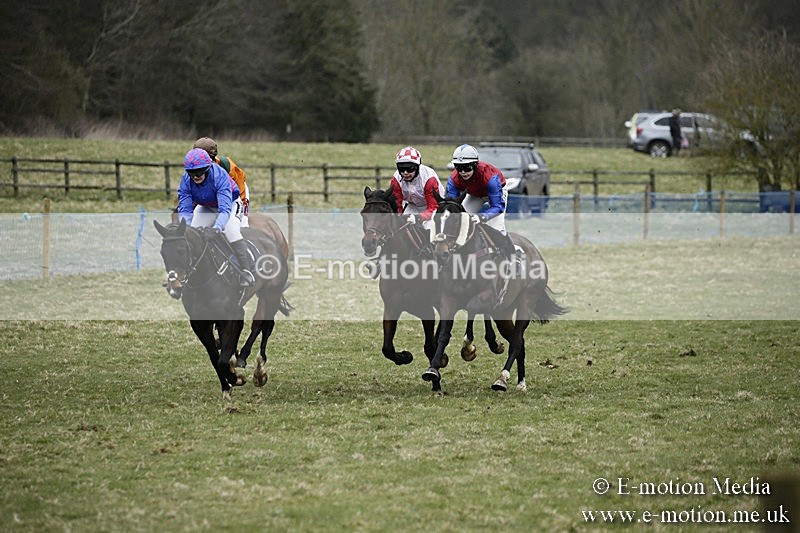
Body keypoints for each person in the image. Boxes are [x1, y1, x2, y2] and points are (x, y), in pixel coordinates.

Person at [177, 148, 255, 286]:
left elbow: (224, 210)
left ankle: (246, 269)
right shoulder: (186, 181)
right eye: (192, 172)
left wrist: (216, 228)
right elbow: (185, 209)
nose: (196, 176)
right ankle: (193, 271)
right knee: (192, 233)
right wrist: (186, 228)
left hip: (229, 204)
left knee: (231, 231)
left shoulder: (219, 175)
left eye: (200, 171)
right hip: (207, 206)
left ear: (208, 168)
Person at [445, 143, 520, 274]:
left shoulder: (490, 177)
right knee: (460, 221)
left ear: (475, 165)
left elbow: (497, 207)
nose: (463, 172)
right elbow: (452, 206)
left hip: (496, 193)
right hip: (475, 194)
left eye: (467, 167)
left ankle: (513, 258)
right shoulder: (454, 179)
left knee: (496, 228)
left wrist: (481, 217)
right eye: (459, 167)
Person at [193, 137, 250, 226]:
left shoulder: (226, 165)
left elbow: (240, 187)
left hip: (236, 192)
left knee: (242, 224)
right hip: (212, 197)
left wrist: (242, 207)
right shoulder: (193, 168)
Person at [389, 146, 444, 230]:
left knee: (429, 227)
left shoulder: (429, 179)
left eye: (410, 169)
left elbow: (433, 207)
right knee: (400, 227)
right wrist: (399, 218)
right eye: (401, 169)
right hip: (412, 206)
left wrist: (418, 218)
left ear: (417, 167)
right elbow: (397, 205)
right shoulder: (396, 179)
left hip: (433, 207)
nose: (405, 173)